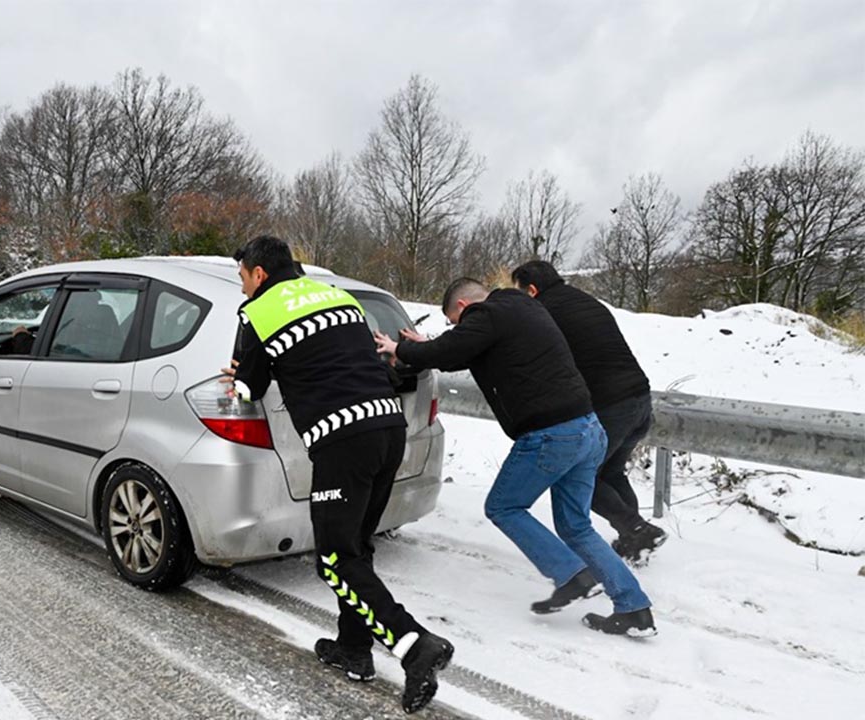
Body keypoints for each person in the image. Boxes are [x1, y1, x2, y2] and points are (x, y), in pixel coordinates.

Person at [225, 235, 453, 713]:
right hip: (389, 429)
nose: (242, 287)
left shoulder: (258, 314)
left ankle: (414, 645)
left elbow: (248, 388)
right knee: (356, 549)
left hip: (342, 440)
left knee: (334, 559)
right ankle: (353, 648)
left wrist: (238, 374)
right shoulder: (340, 298)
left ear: (259, 274)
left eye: (243, 277)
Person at [375, 278, 656, 638]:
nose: (458, 329)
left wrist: (399, 348)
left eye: (454, 322)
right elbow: (460, 350)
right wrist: (428, 345)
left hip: (552, 435)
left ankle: (571, 574)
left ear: (463, 306)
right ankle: (633, 607)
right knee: (575, 525)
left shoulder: (486, 314)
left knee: (503, 507)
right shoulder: (522, 308)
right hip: (588, 429)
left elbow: (454, 348)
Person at [510, 261, 666, 563]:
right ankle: (634, 542)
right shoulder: (584, 300)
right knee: (610, 472)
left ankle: (639, 530)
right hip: (640, 399)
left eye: (520, 293)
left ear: (531, 289)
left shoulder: (544, 310)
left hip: (611, 405)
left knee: (577, 475)